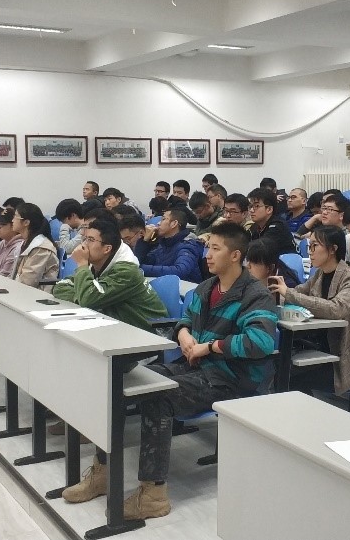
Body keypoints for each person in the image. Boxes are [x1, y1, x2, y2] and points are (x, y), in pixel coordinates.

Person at [57, 222, 278, 520]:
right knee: (120, 381)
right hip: (194, 367)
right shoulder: (206, 288)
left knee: (158, 397)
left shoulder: (255, 295)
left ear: (236, 255)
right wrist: (184, 334)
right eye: (208, 247)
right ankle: (102, 472)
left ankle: (154, 494)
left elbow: (261, 342)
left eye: (215, 249)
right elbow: (183, 322)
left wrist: (209, 347)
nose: (207, 255)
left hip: (231, 378)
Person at [269, 225, 350, 394]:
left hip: (349, 362)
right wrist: (274, 295)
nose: (310, 251)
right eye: (309, 246)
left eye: (315, 246)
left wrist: (289, 293)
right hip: (323, 350)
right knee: (279, 369)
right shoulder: (320, 274)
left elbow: (336, 309)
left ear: (333, 249)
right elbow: (298, 292)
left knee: (288, 379)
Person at [52, 217, 166, 331]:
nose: (84, 245)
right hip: (119, 326)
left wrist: (82, 264)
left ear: (107, 249)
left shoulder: (126, 271)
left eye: (90, 240)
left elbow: (88, 299)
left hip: (149, 333)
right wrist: (81, 297)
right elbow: (61, 286)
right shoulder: (97, 263)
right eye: (85, 239)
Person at [137, 208, 204, 282]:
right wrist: (145, 241)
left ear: (174, 224)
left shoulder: (187, 245)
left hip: (186, 288)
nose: (158, 223)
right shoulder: (164, 244)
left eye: (163, 219)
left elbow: (180, 271)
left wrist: (141, 268)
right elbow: (140, 261)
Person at [10, 202, 59, 289]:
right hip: (21, 290)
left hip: (37, 294)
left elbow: (28, 282)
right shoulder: (25, 242)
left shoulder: (41, 248)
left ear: (26, 222)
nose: (12, 220)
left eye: (15, 217)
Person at [247, 188, 297, 255]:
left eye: (256, 206)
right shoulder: (255, 226)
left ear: (269, 209)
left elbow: (260, 249)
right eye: (250, 206)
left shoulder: (277, 226)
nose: (251, 210)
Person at [0, 207, 24, 277]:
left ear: (13, 226)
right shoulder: (3, 242)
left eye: (2, 224)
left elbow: (5, 275)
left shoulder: (18, 247)